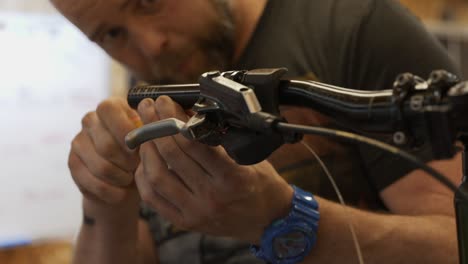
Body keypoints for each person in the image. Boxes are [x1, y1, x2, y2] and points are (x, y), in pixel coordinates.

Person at [52, 0, 463, 263]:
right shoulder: (148, 100)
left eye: (148, 2)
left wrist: (282, 219)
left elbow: (454, 243)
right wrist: (105, 199)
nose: (152, 43)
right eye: (111, 34)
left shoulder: (355, 29)